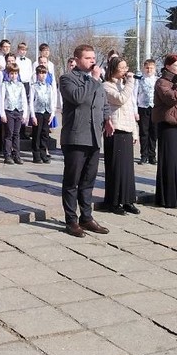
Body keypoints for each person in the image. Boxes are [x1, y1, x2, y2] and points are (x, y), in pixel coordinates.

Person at [59, 45, 108, 237]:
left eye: (94, 57)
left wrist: (107, 118)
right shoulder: (67, 79)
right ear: (77, 59)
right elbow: (78, 98)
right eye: (88, 58)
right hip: (76, 137)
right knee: (72, 181)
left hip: (95, 136)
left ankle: (86, 217)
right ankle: (71, 220)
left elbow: (102, 101)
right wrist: (93, 79)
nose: (92, 61)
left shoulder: (96, 80)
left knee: (88, 181)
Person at [153, 55, 177, 209]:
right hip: (167, 126)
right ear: (168, 66)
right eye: (176, 65)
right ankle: (167, 198)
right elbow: (173, 98)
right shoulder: (162, 82)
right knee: (168, 162)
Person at [101, 55, 139, 215]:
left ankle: (128, 200)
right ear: (114, 68)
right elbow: (121, 99)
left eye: (126, 67)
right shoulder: (106, 86)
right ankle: (114, 201)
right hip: (115, 130)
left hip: (127, 129)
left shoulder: (124, 85)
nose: (125, 71)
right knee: (116, 168)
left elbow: (130, 109)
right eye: (122, 68)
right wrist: (130, 82)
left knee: (127, 170)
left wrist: (134, 130)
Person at [0, 64, 29, 164]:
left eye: (15, 73)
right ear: (8, 74)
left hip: (18, 111)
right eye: (11, 73)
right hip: (9, 111)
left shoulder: (21, 85)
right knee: (9, 134)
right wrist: (2, 113)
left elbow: (24, 99)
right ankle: (7, 155)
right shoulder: (4, 85)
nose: (14, 75)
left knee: (17, 134)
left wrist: (24, 114)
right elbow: (1, 99)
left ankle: (17, 155)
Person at [29, 64, 57, 163]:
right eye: (40, 73)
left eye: (44, 73)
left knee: (45, 133)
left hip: (47, 112)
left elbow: (52, 100)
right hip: (38, 112)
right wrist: (32, 115)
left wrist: (52, 113)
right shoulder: (33, 86)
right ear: (37, 75)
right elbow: (31, 102)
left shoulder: (49, 86)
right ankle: (36, 154)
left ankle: (43, 153)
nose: (42, 75)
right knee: (37, 133)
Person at [136, 59, 158, 165]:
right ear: (143, 68)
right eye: (147, 67)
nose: (149, 70)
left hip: (154, 108)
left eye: (151, 68)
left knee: (154, 133)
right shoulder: (139, 80)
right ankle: (143, 155)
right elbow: (134, 95)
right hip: (143, 108)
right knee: (144, 132)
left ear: (155, 69)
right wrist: (135, 111)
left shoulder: (157, 80)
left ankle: (152, 155)